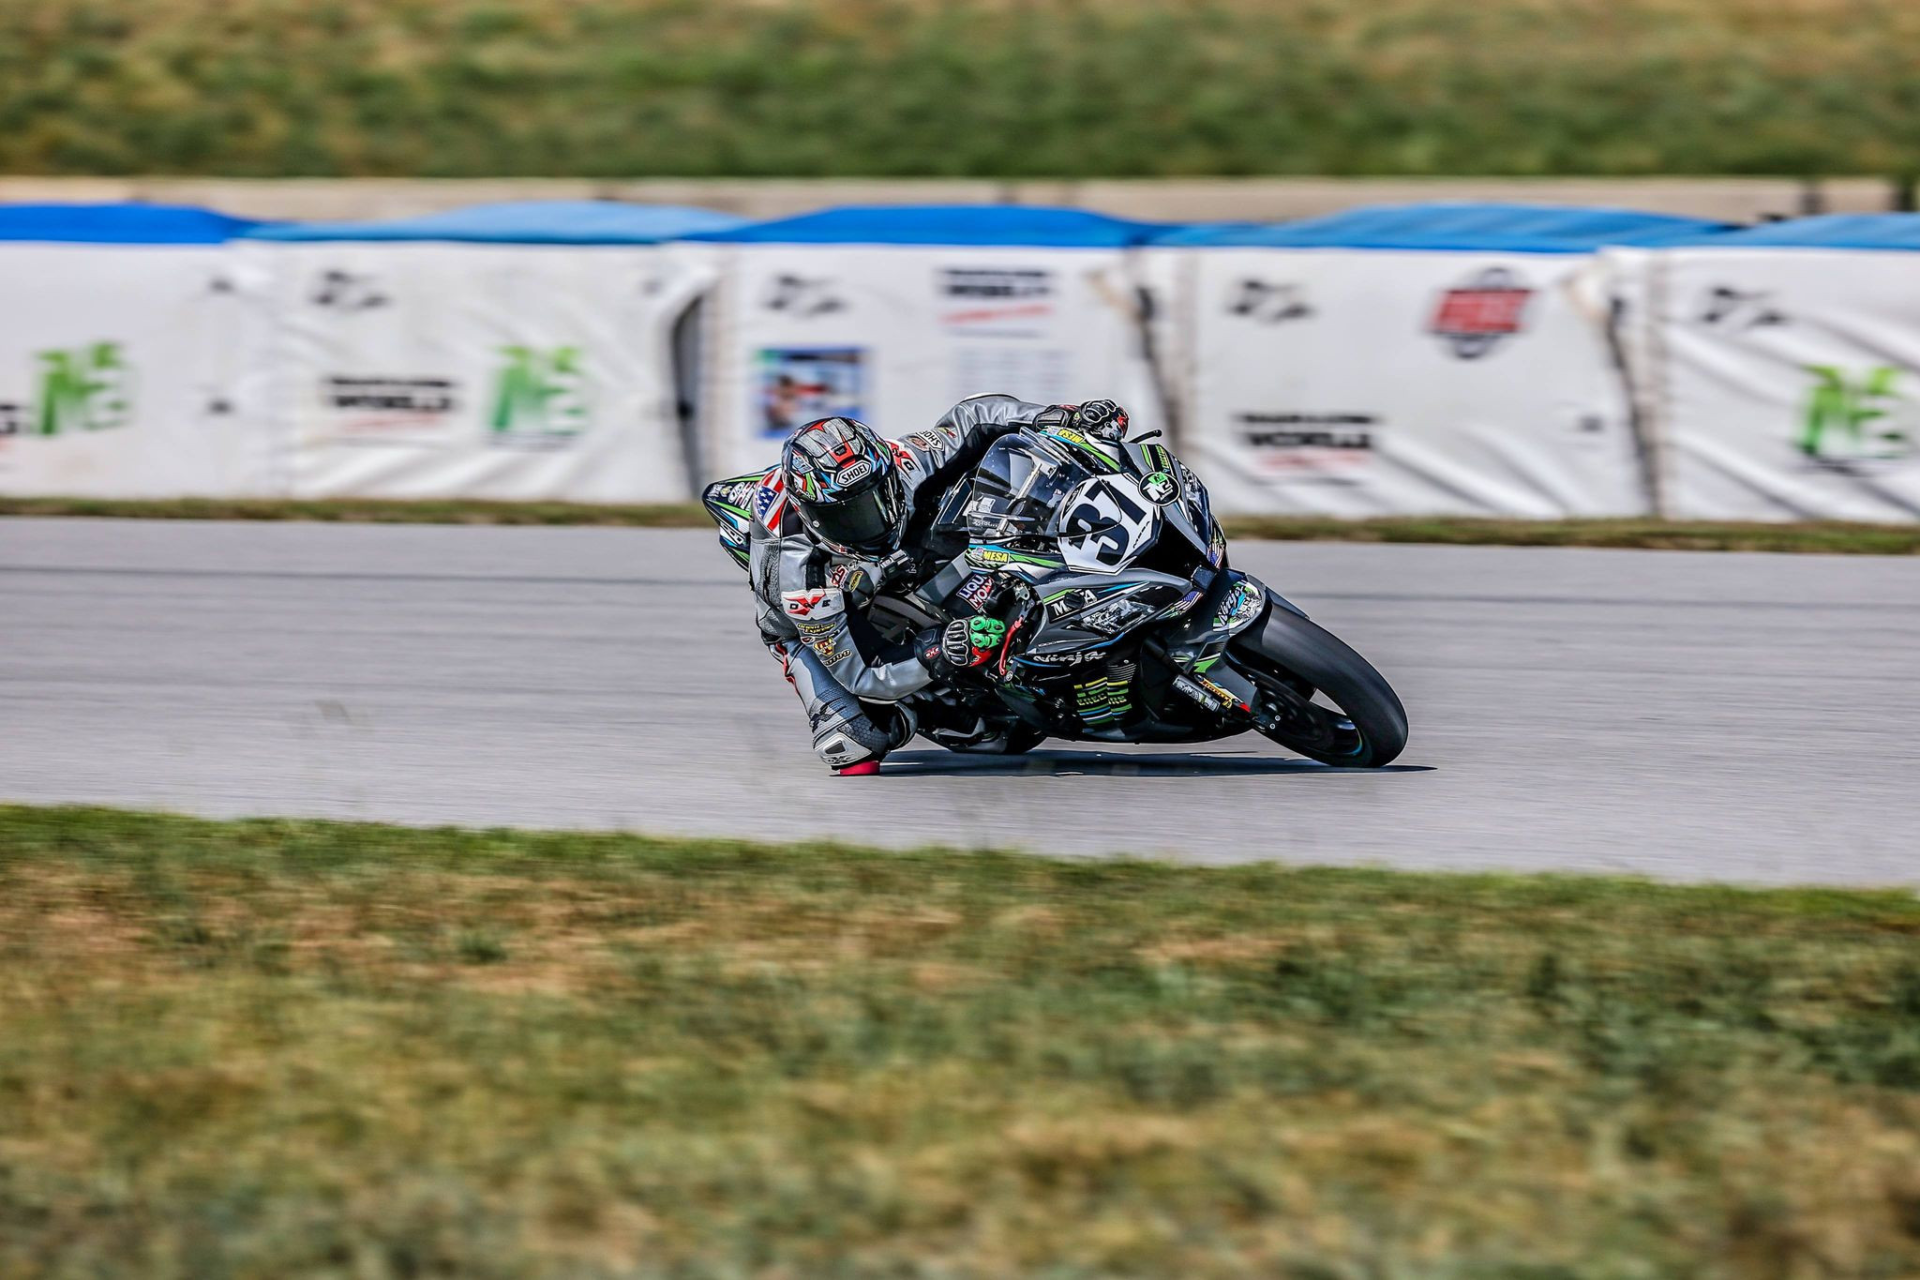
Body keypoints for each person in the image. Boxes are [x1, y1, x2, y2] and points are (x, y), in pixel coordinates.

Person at [702, 395, 1131, 774]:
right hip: (810, 627)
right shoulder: (801, 576)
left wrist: (1059, 417)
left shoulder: (903, 462)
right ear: (813, 516)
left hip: (890, 553)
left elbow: (975, 417)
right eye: (848, 516)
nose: (868, 523)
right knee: (856, 744)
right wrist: (939, 650)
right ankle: (911, 710)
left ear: (887, 473)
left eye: (874, 500)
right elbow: (863, 672)